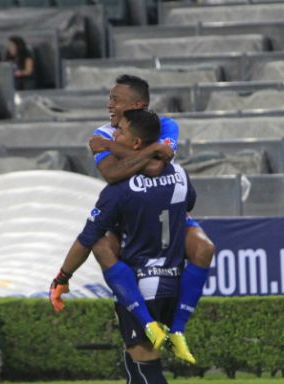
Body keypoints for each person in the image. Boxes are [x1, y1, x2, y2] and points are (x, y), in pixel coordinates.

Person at [51, 109, 199, 384]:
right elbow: (188, 205)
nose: (113, 137)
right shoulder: (179, 174)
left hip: (139, 288)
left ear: (135, 142)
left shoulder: (119, 190)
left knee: (147, 366)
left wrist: (63, 277)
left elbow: (87, 239)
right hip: (173, 282)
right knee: (135, 364)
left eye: (120, 134)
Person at [87, 75, 215, 362]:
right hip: (128, 214)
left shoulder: (166, 125)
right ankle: (147, 324)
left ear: (137, 105)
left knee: (204, 248)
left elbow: (157, 167)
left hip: (164, 210)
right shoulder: (102, 131)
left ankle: (177, 330)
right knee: (102, 248)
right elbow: (111, 174)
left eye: (115, 100)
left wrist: (115, 149)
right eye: (110, 99)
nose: (109, 105)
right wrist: (152, 150)